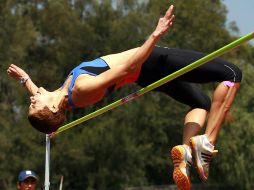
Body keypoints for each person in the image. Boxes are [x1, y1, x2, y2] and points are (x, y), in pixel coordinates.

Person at [7, 4, 241, 189]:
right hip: (150, 62)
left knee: (201, 103)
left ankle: (186, 153)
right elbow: (128, 66)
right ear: (54, 110)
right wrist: (155, 34)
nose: (32, 100)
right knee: (232, 74)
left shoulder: (59, 96)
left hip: (146, 75)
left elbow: (36, 93)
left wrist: (24, 79)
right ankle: (207, 143)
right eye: (34, 106)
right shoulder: (81, 90)